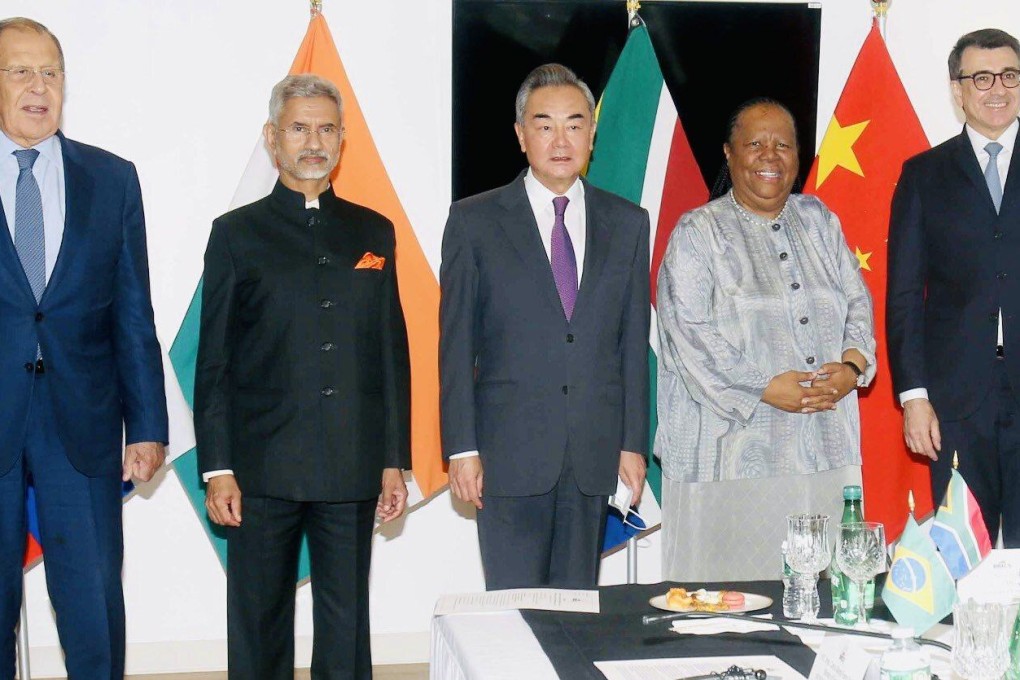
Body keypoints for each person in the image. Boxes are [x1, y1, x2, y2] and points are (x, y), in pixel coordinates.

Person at [194, 74, 411, 679]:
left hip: (353, 465)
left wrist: (394, 458)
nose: (313, 141)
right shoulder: (235, 234)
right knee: (258, 629)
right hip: (260, 468)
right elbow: (214, 363)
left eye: (325, 129)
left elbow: (390, 352)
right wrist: (218, 468)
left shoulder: (374, 232)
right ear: (272, 138)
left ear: (342, 140)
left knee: (346, 633)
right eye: (298, 128)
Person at [0, 17, 168, 679]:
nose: (38, 86)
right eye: (20, 71)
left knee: (92, 605)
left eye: (50, 72)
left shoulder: (112, 179)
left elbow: (133, 310)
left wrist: (148, 423)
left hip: (85, 422)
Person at [439, 63, 650, 590]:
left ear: (592, 135)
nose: (561, 139)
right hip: (507, 455)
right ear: (520, 135)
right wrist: (461, 448)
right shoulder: (474, 220)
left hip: (593, 455)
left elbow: (631, 345)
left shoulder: (627, 222)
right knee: (515, 619)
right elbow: (455, 343)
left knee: (577, 615)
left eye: (575, 124)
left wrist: (632, 442)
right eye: (545, 124)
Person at [655, 98, 876, 581]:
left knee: (819, 595)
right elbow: (688, 334)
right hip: (731, 451)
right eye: (754, 144)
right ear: (729, 155)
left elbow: (857, 301)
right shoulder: (698, 233)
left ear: (799, 158)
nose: (770, 156)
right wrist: (762, 387)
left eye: (783, 145)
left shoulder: (819, 219)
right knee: (731, 601)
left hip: (825, 443)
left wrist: (853, 368)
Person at [888, 28, 1020, 545]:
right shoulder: (924, 174)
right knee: (968, 555)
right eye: (981, 77)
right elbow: (903, 295)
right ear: (957, 89)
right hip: (956, 402)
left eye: (1009, 75)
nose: (997, 88)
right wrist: (914, 396)